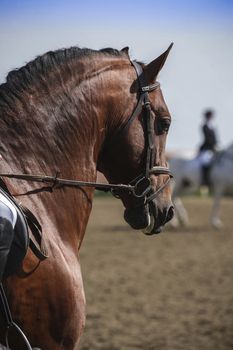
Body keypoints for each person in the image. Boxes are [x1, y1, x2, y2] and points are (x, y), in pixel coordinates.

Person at [198, 109, 218, 186]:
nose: (210, 118)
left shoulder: (213, 126)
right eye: (209, 116)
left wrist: (217, 144)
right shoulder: (204, 126)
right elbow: (207, 139)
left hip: (213, 148)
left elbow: (215, 138)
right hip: (206, 148)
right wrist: (213, 146)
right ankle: (205, 179)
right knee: (205, 161)